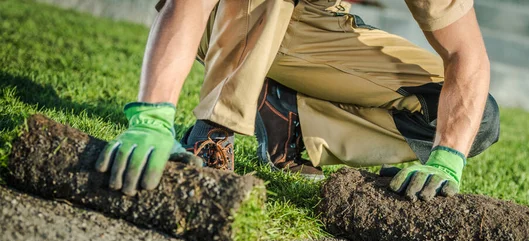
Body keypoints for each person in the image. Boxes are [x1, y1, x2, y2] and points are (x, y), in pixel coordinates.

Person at [96, 0, 499, 202]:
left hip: (314, 26)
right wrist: (151, 116)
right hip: (222, 18)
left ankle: (288, 124)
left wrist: (447, 156)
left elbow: (467, 55)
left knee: (476, 120)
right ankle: (214, 132)